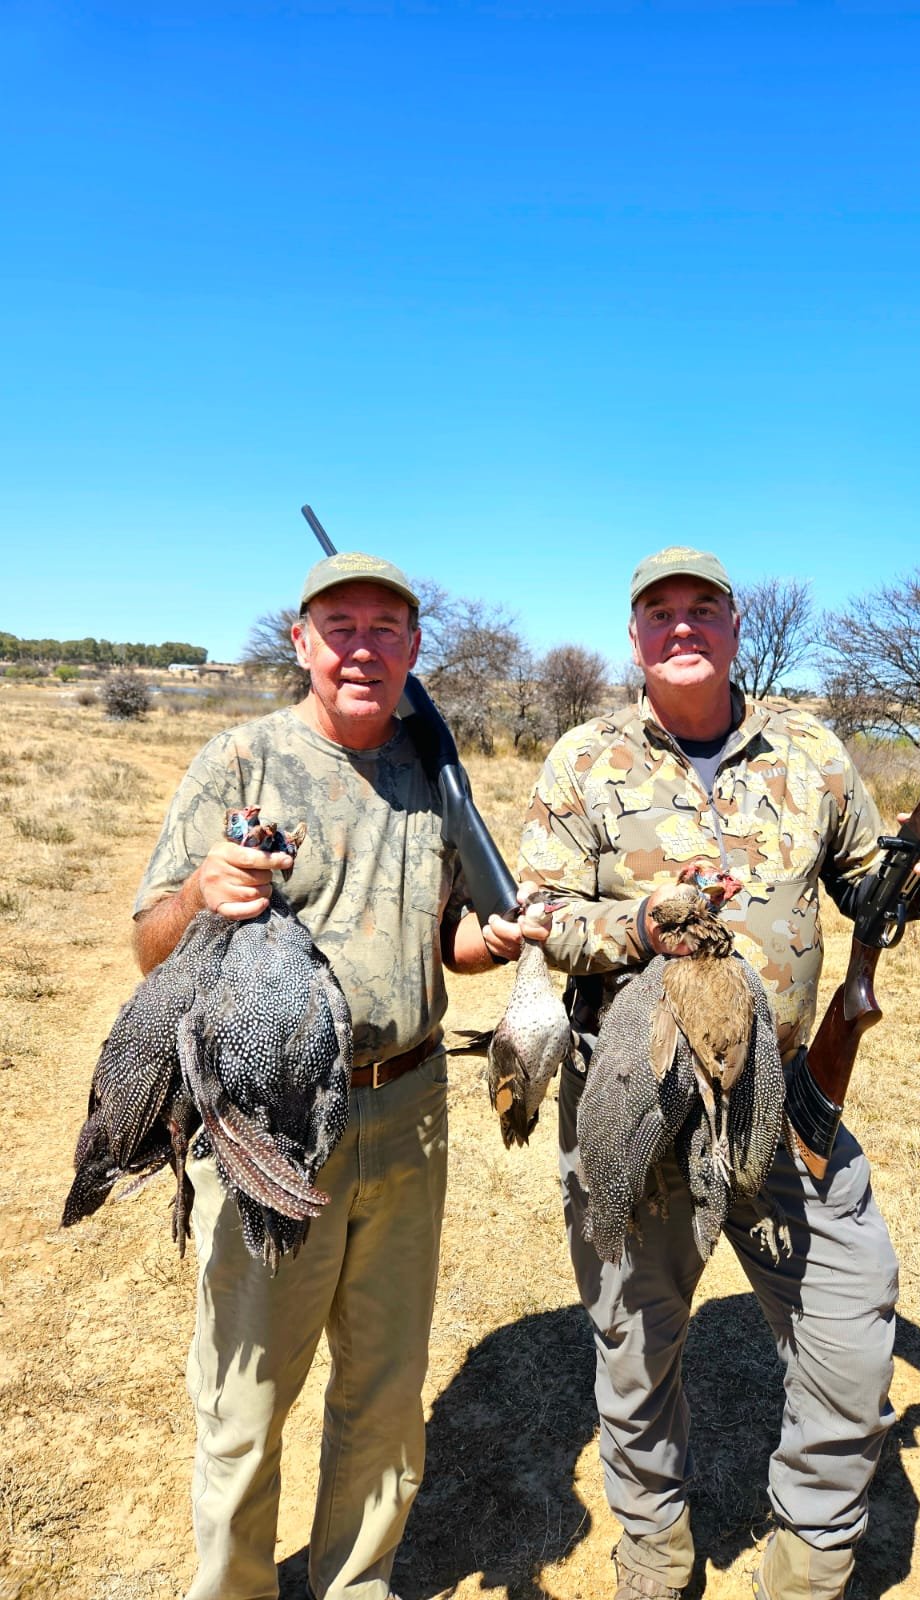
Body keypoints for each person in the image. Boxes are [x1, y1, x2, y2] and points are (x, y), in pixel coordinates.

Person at [516, 546, 920, 1600]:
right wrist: (639, 923)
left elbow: (874, 896)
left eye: (703, 609)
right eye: (660, 613)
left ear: (736, 625)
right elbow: (545, 923)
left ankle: (809, 1555)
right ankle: (655, 1550)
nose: (682, 626)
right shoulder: (584, 760)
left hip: (782, 1102)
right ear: (635, 636)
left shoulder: (809, 751)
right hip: (637, 1110)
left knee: (854, 1322)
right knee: (635, 1350)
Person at [132, 550, 533, 1600]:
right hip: (268, 1122)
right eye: (339, 625)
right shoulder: (241, 758)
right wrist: (202, 893)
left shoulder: (434, 773)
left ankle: (357, 1585)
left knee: (387, 1392)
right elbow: (147, 942)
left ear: (414, 648)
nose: (362, 645)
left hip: (409, 1107)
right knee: (246, 1397)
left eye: (386, 627)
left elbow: (446, 937)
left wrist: (495, 943)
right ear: (301, 642)